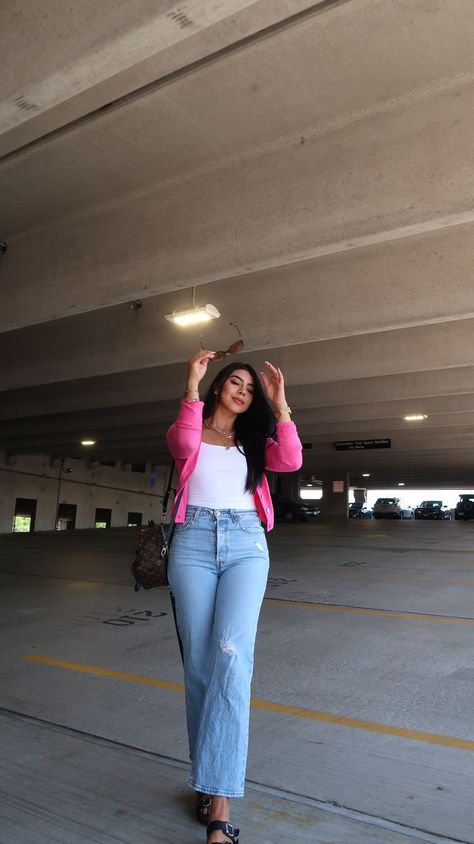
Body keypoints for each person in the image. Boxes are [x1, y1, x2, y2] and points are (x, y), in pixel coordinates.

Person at [166, 348, 303, 844]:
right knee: (200, 667)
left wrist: (280, 404)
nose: (243, 392)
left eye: (250, 388)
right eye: (236, 384)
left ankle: (220, 805)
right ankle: (206, 779)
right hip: (194, 545)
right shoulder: (192, 429)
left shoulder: (255, 443)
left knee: (231, 657)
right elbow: (182, 441)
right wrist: (191, 385)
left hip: (246, 545)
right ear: (220, 386)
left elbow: (291, 459)